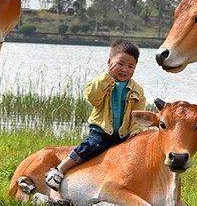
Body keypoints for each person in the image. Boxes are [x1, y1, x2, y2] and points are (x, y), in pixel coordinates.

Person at [44, 39, 146, 191]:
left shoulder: (137, 90)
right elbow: (93, 98)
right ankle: (59, 170)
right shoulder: (102, 82)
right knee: (90, 147)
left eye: (130, 66)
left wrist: (135, 132)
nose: (125, 69)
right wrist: (107, 77)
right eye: (120, 64)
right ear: (109, 62)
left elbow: (139, 115)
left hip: (124, 134)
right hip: (102, 132)